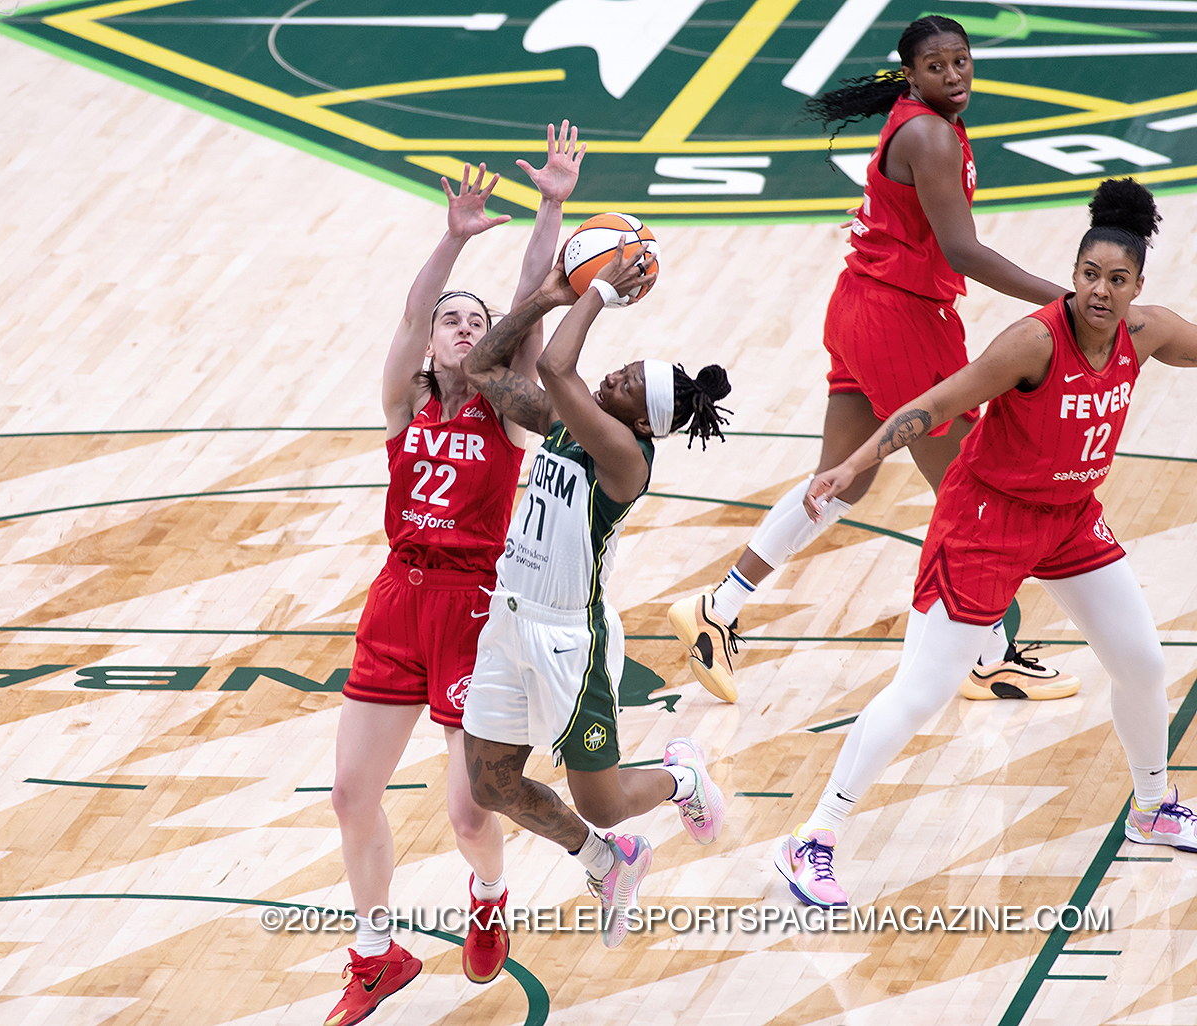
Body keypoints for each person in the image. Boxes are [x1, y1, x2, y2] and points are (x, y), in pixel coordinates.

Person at [773, 178, 1197, 908]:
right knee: (923, 691)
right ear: (1073, 275)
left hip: (1068, 518)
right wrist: (853, 463)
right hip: (985, 522)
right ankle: (813, 836)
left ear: (1137, 287)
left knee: (1142, 662)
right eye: (1089, 274)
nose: (1100, 290)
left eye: (1116, 279)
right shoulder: (1032, 342)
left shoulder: (1147, 333)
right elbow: (935, 403)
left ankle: (1152, 808)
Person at [668, 15, 1074, 705]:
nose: (954, 75)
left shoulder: (924, 122)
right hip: (899, 321)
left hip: (862, 306)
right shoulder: (929, 135)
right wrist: (1065, 303)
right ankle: (987, 658)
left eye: (961, 60)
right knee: (969, 490)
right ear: (910, 74)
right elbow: (963, 251)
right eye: (937, 66)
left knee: (841, 483)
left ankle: (719, 606)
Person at [324, 123, 585, 1026]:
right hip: (398, 599)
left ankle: (489, 896)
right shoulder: (403, 403)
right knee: (350, 794)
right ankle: (376, 954)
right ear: (433, 340)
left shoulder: (504, 411)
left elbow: (530, 307)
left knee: (472, 816)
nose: (465, 327)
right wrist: (453, 238)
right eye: (453, 320)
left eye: (477, 322)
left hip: (474, 610)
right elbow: (407, 317)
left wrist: (550, 206)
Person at [459, 241, 732, 948]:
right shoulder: (565, 425)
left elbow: (556, 366)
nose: (615, 373)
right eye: (626, 367)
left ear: (642, 422)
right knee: (491, 786)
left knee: (603, 803)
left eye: (629, 382)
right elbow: (481, 367)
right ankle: (608, 863)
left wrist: (599, 294)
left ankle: (681, 778)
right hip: (507, 621)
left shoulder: (624, 459)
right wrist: (546, 298)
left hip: (566, 641)